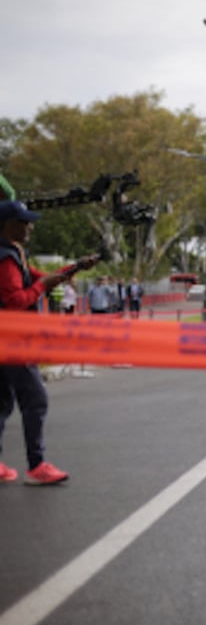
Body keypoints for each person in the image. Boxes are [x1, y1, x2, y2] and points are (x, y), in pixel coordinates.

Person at [0, 199, 98, 484]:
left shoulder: (13, 252)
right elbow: (16, 301)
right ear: (8, 225)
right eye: (24, 222)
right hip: (14, 341)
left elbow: (39, 278)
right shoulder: (6, 258)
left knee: (2, 402)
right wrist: (43, 286)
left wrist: (74, 268)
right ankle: (37, 464)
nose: (29, 227)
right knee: (36, 400)